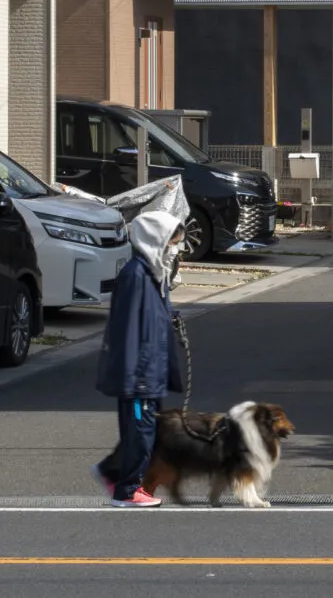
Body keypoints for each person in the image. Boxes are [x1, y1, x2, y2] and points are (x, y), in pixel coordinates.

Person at [93, 198, 186, 507]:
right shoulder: (136, 276)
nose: (175, 249)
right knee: (141, 431)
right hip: (141, 374)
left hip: (150, 370)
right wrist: (135, 377)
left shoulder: (154, 275)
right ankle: (126, 489)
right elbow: (129, 329)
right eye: (171, 242)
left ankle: (115, 473)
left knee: (147, 429)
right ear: (155, 240)